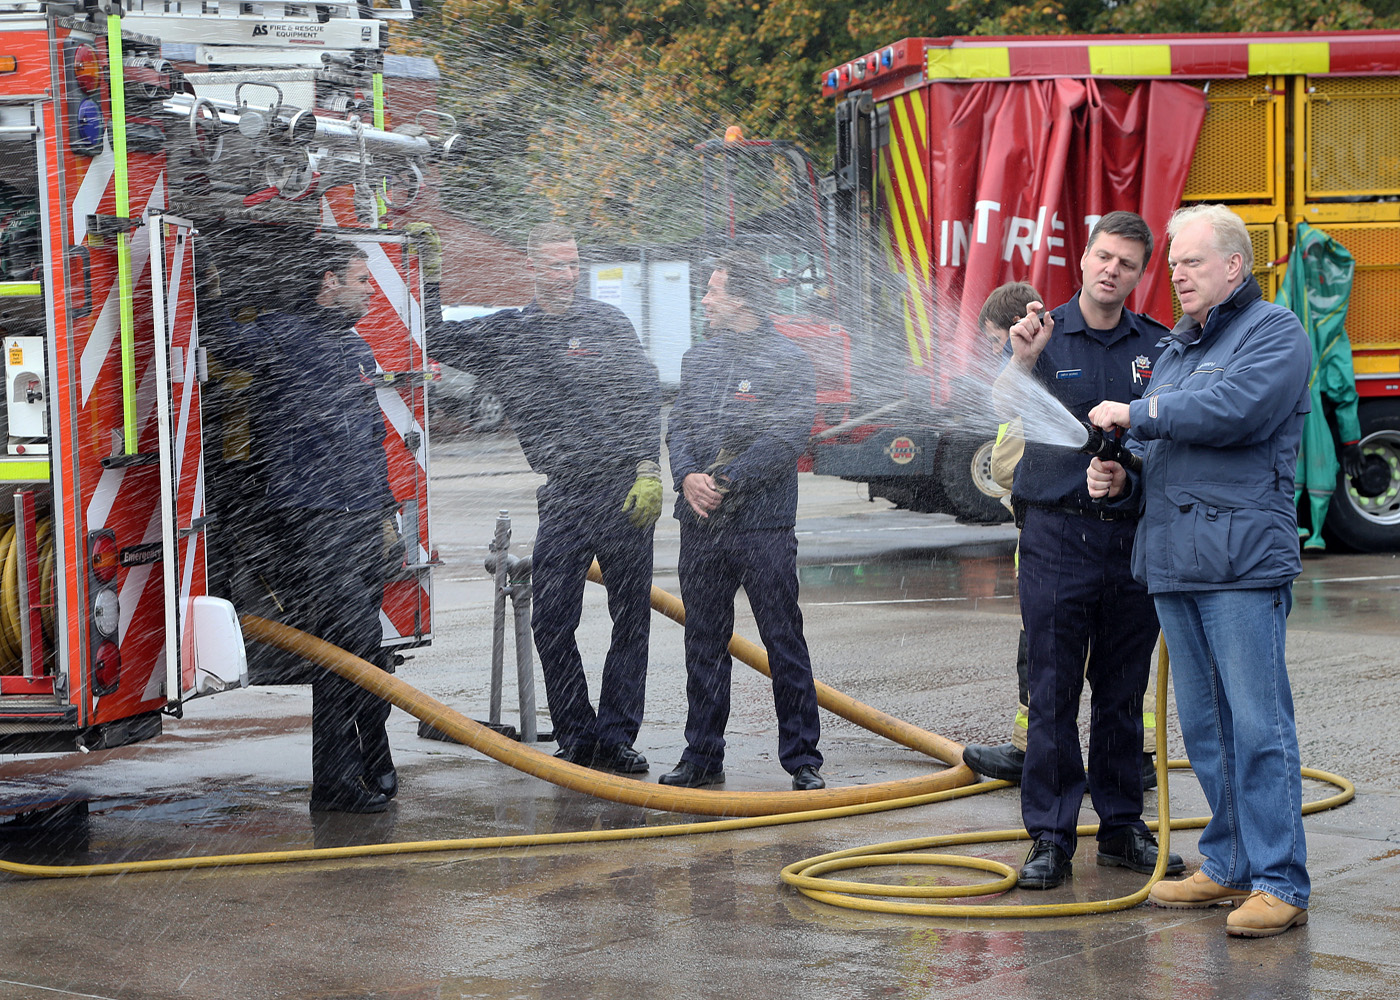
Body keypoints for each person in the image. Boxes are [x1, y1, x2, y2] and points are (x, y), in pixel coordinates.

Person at [1088, 204, 1313, 937]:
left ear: (1234, 267)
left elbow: (1234, 411)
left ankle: (1280, 880)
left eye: (1190, 261)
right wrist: (1126, 476)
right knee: (1209, 730)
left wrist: (1139, 413)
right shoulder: (1180, 347)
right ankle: (1227, 865)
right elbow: (1169, 444)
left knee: (1258, 725)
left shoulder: (1273, 333)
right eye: (1174, 262)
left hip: (1240, 564)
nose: (1175, 273)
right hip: (1178, 564)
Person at [994, 210, 1182, 890]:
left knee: (1122, 691)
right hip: (1054, 540)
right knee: (1051, 690)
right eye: (1103, 256)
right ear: (1084, 257)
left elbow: (1166, 438)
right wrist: (1017, 358)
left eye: (1127, 263)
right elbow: (999, 404)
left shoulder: (1158, 348)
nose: (1112, 270)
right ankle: (1049, 836)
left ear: (1140, 274)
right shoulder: (1039, 336)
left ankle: (1122, 825)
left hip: (1129, 541)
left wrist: (1125, 476)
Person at [432, 223, 662, 774]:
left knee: (631, 619)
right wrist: (428, 269)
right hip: (563, 495)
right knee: (552, 619)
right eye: (555, 265)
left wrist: (649, 466)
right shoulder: (509, 335)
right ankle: (578, 738)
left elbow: (643, 394)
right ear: (532, 269)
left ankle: (617, 738)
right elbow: (434, 338)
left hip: (625, 490)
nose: (566, 275)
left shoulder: (608, 324)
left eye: (571, 264)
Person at [965, 284, 1161, 791]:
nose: (993, 350)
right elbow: (1003, 407)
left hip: (1080, 535)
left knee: (1073, 666)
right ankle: (1078, 793)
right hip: (1054, 533)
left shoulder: (1142, 346)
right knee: (1088, 670)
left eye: (994, 340)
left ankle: (1081, 774)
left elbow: (1007, 465)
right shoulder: (1035, 357)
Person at [229, 236, 399, 813]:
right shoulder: (284, 335)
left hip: (358, 517)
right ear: (328, 282)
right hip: (315, 519)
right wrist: (207, 282)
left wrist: (387, 514)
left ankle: (371, 762)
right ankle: (338, 778)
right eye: (361, 280)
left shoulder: (353, 349)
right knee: (343, 645)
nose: (370, 291)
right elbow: (223, 343)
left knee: (364, 647)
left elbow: (371, 439)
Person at [659, 248, 825, 791]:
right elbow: (678, 426)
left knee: (783, 640)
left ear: (743, 299)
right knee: (703, 641)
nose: (704, 300)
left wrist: (724, 483)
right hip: (701, 526)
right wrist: (686, 476)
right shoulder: (698, 359)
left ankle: (802, 759)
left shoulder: (789, 361)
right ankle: (702, 755)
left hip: (763, 528)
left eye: (714, 291)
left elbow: (785, 440)